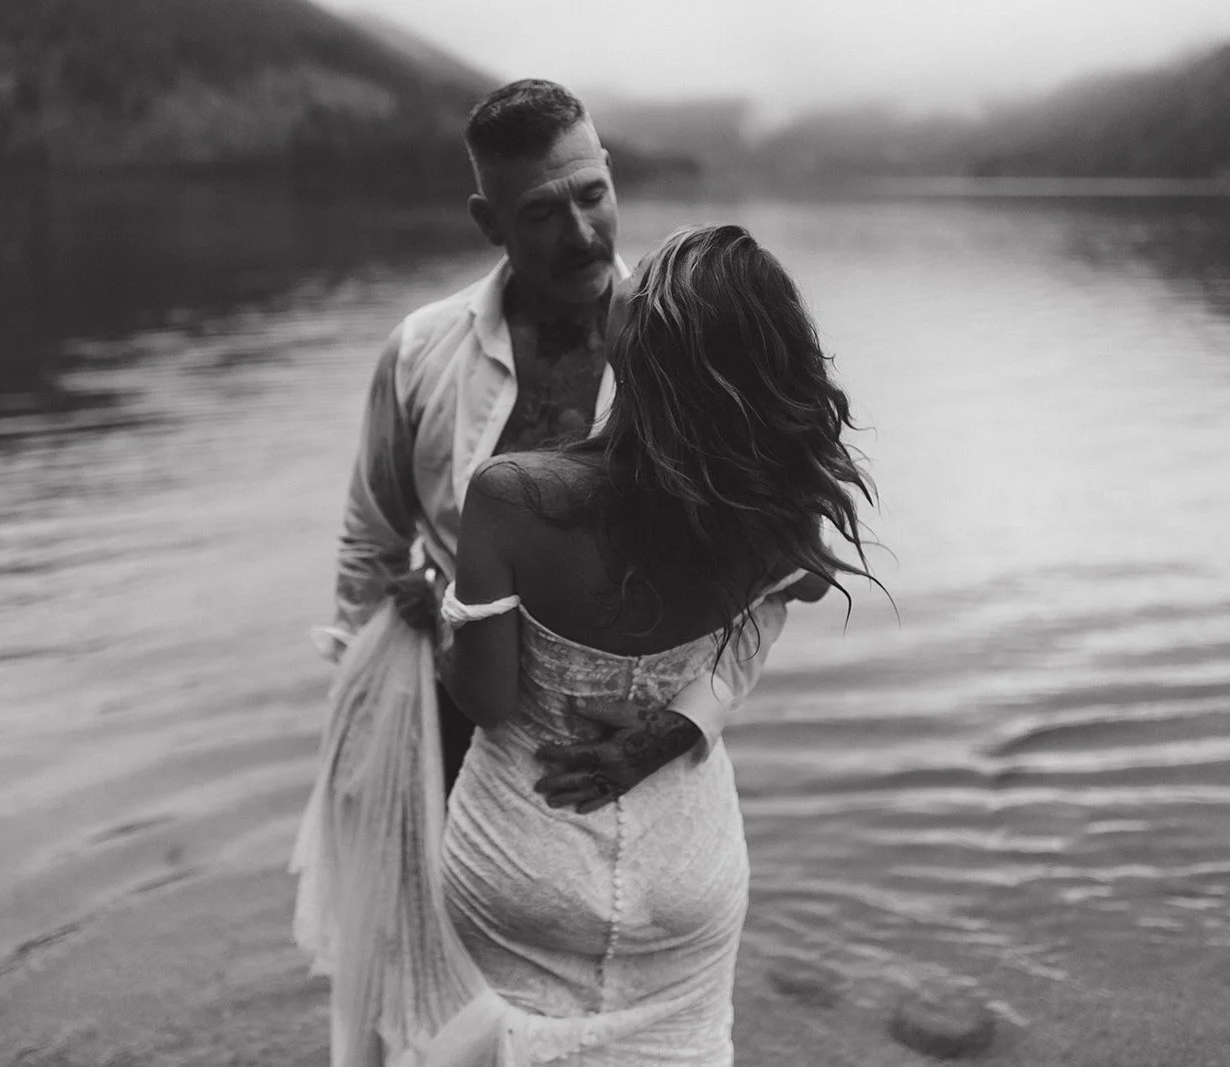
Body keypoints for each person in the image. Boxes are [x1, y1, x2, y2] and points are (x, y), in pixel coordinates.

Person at [435, 222, 873, 1064]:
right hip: (687, 868)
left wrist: (445, 612)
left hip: (524, 853)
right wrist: (676, 726)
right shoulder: (776, 515)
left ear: (629, 353)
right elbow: (791, 597)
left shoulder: (514, 498)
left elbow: (485, 698)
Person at [318, 79, 786, 809]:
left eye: (592, 194)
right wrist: (362, 712)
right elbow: (369, 542)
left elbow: (783, 573)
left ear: (608, 172)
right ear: (488, 219)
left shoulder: (695, 348)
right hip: (453, 713)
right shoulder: (417, 353)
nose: (579, 233)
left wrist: (677, 726)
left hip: (645, 730)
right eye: (540, 211)